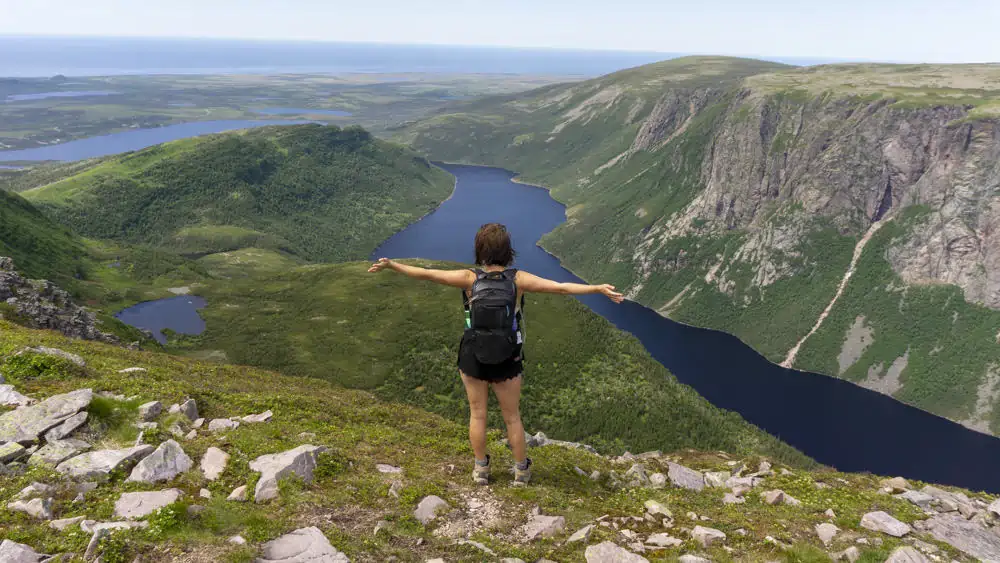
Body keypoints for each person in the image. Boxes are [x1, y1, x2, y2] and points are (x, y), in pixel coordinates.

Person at [368, 223, 624, 486]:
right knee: (512, 417)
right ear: (507, 251)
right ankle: (521, 471)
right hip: (507, 357)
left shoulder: (469, 279)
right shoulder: (518, 280)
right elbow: (560, 287)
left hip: (472, 356)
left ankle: (481, 470)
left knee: (477, 414)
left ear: (480, 250)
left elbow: (426, 274)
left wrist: (392, 265)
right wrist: (597, 289)